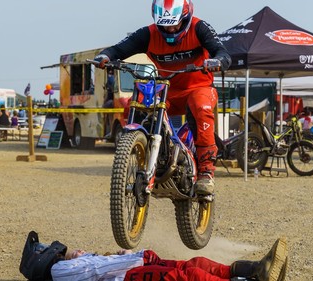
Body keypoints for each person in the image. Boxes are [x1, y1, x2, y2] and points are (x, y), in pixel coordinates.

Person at [92, 0, 232, 196]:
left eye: (175, 24)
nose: (171, 29)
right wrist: (105, 56)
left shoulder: (200, 27)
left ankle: (206, 172)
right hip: (167, 89)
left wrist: (219, 61)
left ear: (187, 16)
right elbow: (119, 49)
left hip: (198, 88)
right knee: (142, 102)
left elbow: (222, 51)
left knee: (201, 107)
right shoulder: (148, 34)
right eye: (164, 25)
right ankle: (151, 158)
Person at [20, 231, 288, 281]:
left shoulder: (66, 267)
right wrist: (133, 255)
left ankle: (255, 270)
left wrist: (130, 254)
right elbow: (96, 270)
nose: (74, 251)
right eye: (67, 253)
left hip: (135, 265)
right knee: (186, 277)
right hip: (128, 278)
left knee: (195, 264)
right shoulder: (59, 272)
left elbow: (99, 264)